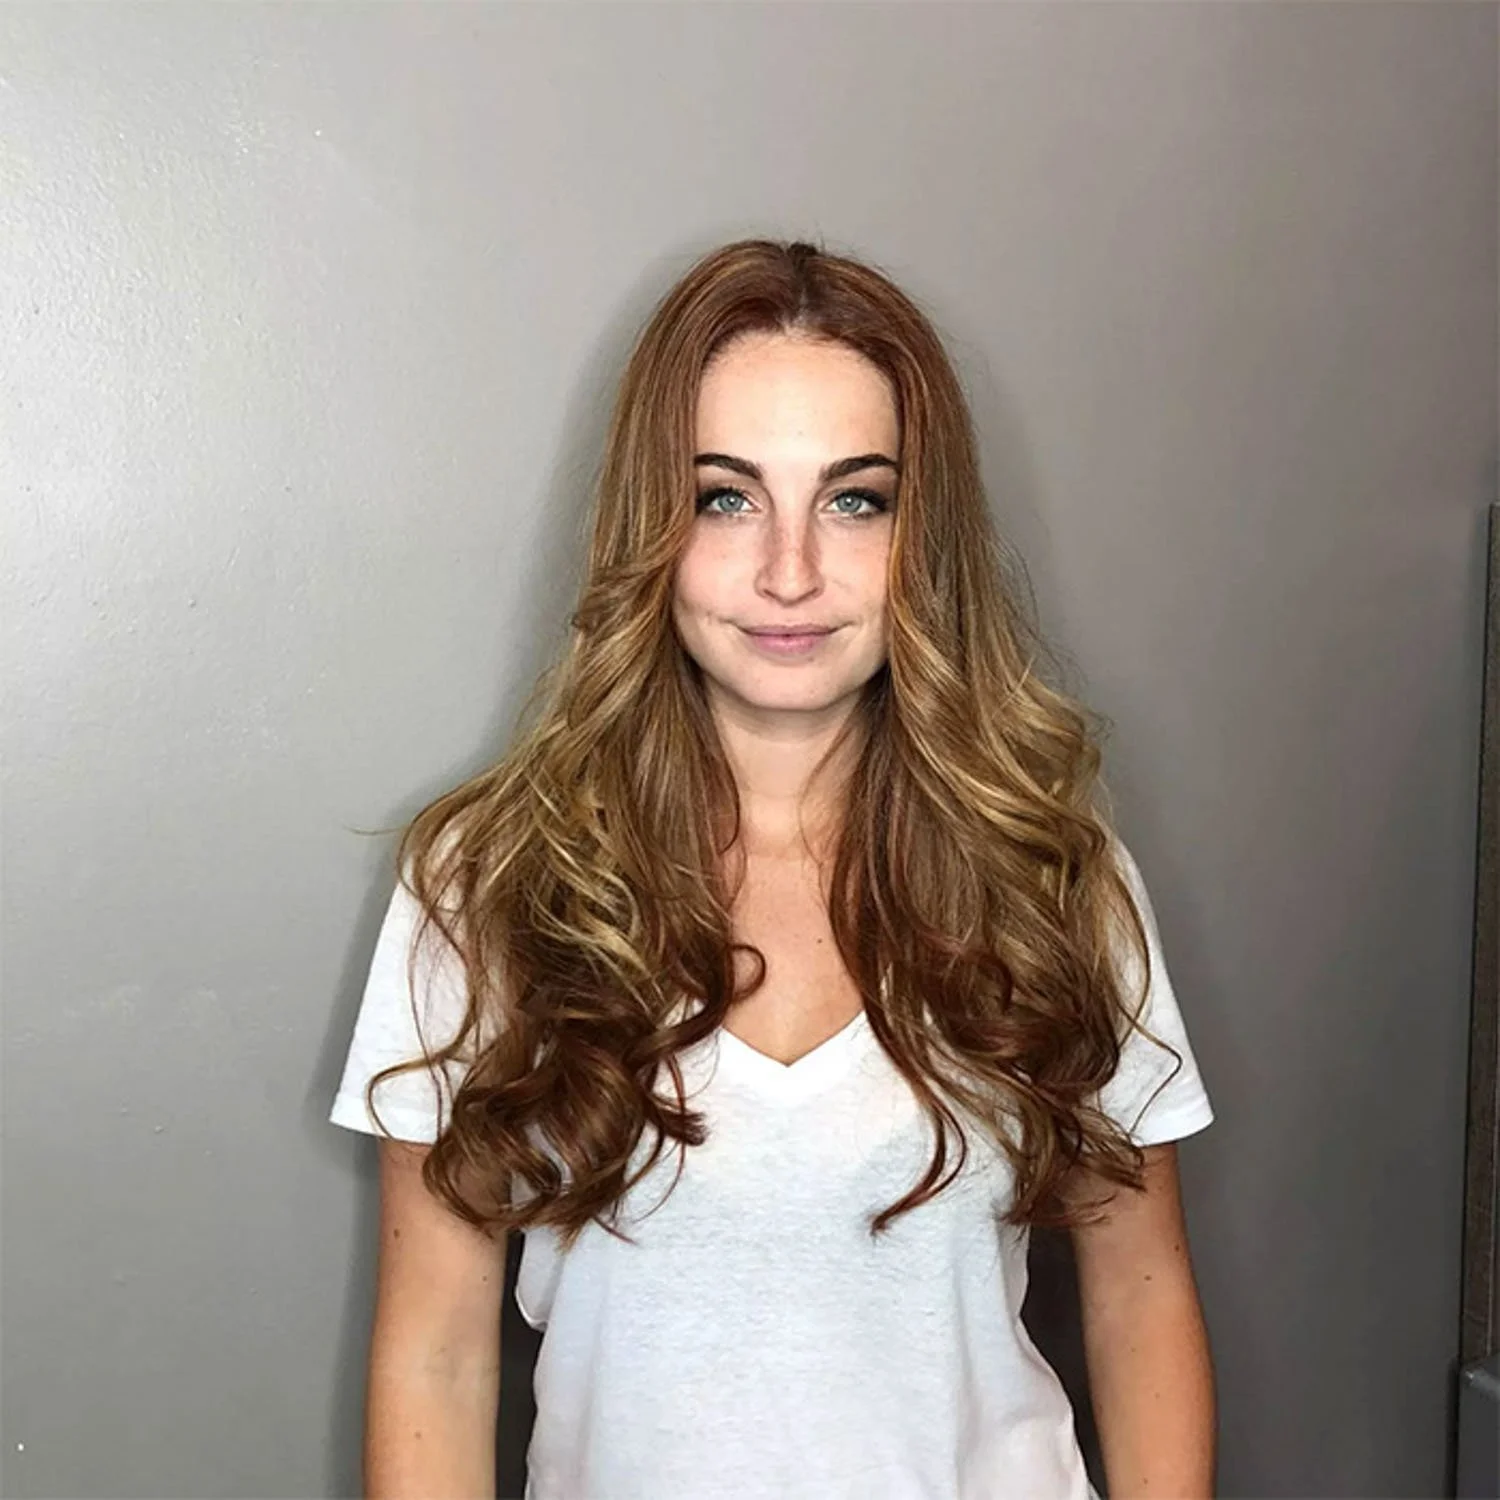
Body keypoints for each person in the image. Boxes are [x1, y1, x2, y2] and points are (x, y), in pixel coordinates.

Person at [328, 237, 1217, 1500]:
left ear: (925, 537)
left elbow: (1138, 1290)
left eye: (856, 499)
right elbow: (436, 1357)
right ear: (652, 522)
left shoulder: (1049, 870)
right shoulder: (489, 881)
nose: (790, 571)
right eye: (725, 496)